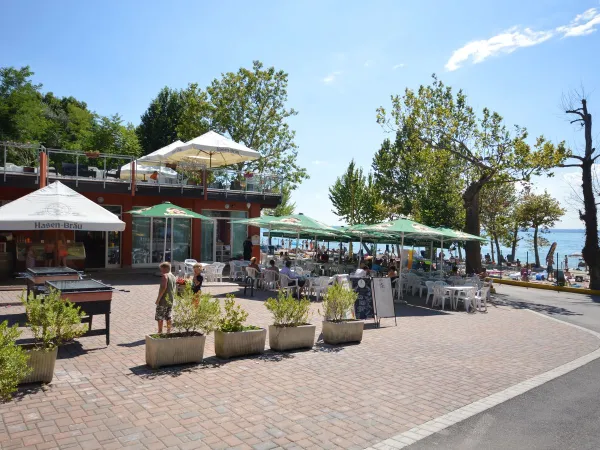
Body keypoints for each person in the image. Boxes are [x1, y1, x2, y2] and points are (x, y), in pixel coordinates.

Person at [155, 262, 176, 334]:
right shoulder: (173, 276)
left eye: (161, 269)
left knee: (160, 316)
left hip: (163, 299)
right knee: (168, 316)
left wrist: (158, 299)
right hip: (170, 299)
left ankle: (160, 331)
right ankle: (168, 331)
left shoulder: (165, 276)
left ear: (165, 268)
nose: (161, 271)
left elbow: (163, 287)